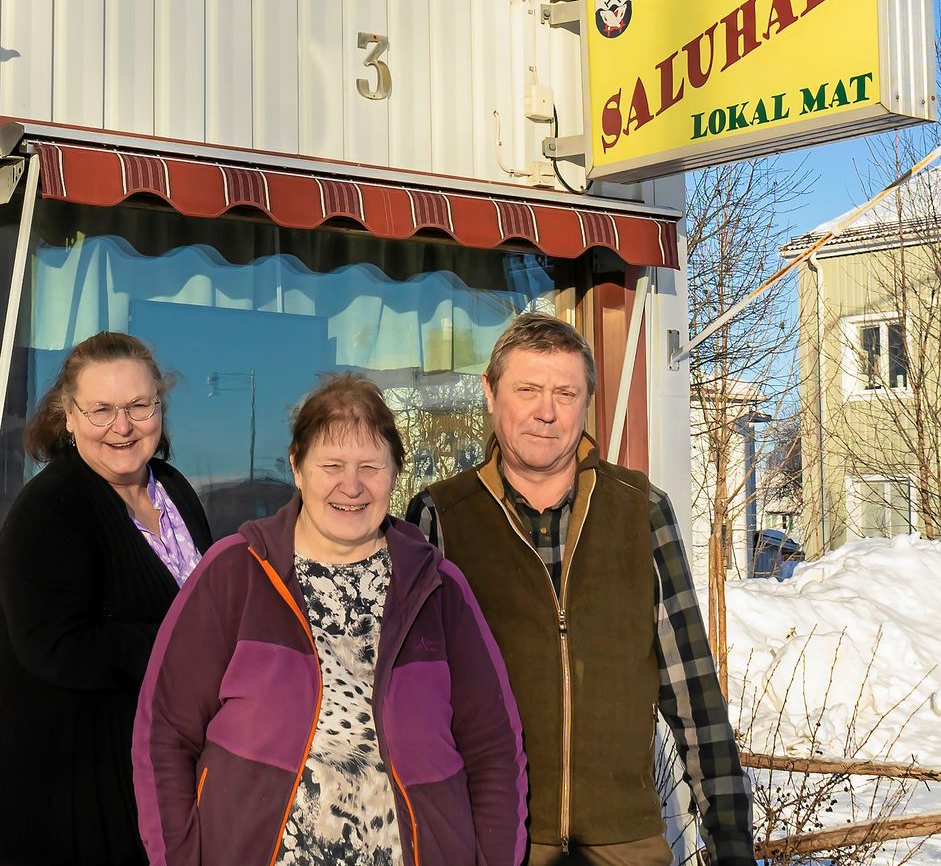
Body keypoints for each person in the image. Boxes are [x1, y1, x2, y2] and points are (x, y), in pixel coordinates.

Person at [133, 373, 527, 866]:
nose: (352, 486)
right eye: (332, 465)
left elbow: (495, 751)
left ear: (395, 473)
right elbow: (163, 734)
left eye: (370, 466)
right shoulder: (236, 572)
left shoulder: (438, 587)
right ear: (297, 467)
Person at [406, 314, 756, 866]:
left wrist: (732, 847)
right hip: (493, 844)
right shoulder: (441, 518)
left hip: (626, 846)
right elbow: (412, 709)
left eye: (565, 393)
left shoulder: (639, 510)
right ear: (490, 393)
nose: (546, 411)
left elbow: (695, 700)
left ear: (587, 402)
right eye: (528, 390)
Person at [0, 331, 212, 866]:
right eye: (101, 410)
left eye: (139, 405)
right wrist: (187, 648)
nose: (122, 427)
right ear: (68, 417)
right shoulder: (50, 509)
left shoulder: (173, 488)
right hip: (79, 790)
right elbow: (54, 647)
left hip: (160, 769)